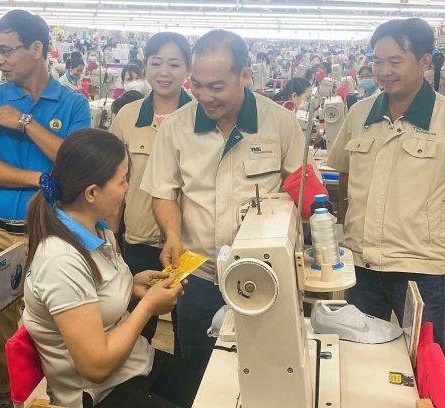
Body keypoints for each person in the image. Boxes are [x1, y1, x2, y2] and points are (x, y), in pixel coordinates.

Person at [326, 18, 445, 365]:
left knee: (426, 363)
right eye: (377, 61)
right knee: (358, 358)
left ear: (423, 61)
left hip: (420, 271)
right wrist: (347, 223)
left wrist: (443, 238)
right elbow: (343, 171)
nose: (384, 71)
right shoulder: (359, 114)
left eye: (394, 61)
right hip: (362, 265)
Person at [141, 29, 310, 375]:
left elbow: (301, 191)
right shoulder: (176, 128)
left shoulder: (279, 123)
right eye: (197, 85)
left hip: (265, 274)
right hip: (199, 274)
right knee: (196, 366)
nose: (204, 96)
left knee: (266, 366)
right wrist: (172, 234)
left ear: (245, 75)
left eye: (216, 86)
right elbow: (163, 192)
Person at [23, 129, 199, 408]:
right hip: (101, 392)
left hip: (135, 365)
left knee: (217, 387)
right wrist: (147, 308)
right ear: (92, 193)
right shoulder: (61, 261)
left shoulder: (97, 229)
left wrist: (133, 287)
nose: (128, 188)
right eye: (123, 180)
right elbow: (95, 366)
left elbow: (98, 292)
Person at [0, 10, 90, 407]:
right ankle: (8, 399)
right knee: (2, 329)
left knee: (57, 325)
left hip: (51, 237)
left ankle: (60, 398)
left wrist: (24, 122)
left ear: (37, 48)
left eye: (6, 50)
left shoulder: (72, 104)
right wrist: (38, 178)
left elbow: (72, 164)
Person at [109, 32, 192, 349]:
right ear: (145, 66)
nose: (164, 72)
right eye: (156, 63)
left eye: (174, 64)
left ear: (187, 69)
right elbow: (113, 184)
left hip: (190, 245)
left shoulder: (201, 117)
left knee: (190, 327)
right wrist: (111, 239)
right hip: (139, 240)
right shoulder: (128, 117)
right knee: (136, 327)